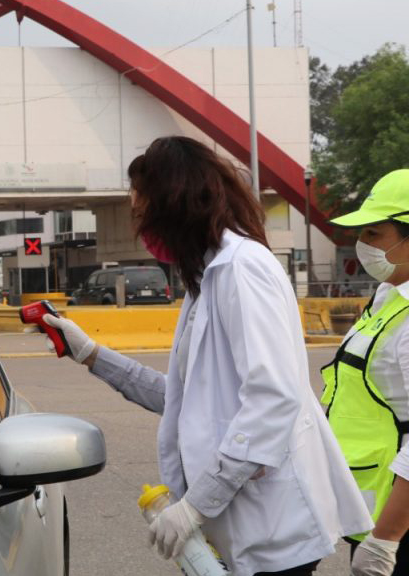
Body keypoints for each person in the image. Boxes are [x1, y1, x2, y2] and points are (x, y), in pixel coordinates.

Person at [41, 136, 372, 576]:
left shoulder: (241, 268)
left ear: (174, 207)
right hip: (241, 530)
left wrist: (195, 506)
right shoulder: (208, 278)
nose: (141, 226)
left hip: (271, 530)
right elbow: (186, 400)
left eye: (143, 213)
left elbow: (273, 398)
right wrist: (92, 355)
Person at [324, 169, 409, 576]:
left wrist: (386, 538)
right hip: (375, 513)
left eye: (374, 233)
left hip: (398, 528)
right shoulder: (386, 298)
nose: (362, 244)